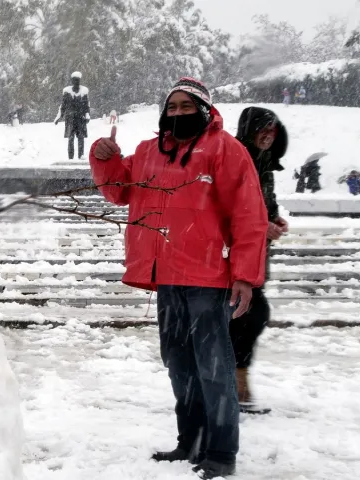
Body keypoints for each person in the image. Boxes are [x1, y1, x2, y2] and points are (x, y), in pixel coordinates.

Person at [90, 77, 268, 479]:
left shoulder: (226, 150)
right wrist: (105, 158)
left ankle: (221, 452)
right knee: (179, 364)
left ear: (204, 110)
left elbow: (249, 214)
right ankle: (191, 442)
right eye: (172, 107)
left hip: (208, 277)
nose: (178, 113)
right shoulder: (148, 152)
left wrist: (244, 274)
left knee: (212, 366)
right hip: (166, 277)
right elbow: (119, 190)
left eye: (187, 107)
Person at [234, 107, 291, 414]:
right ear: (250, 130)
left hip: (257, 252)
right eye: (263, 129)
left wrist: (273, 220)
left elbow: (262, 203)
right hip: (236, 254)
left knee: (247, 317)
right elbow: (229, 205)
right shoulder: (236, 158)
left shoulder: (264, 162)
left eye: (273, 130)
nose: (268, 135)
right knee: (250, 315)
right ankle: (234, 383)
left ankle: (236, 382)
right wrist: (260, 225)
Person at [54, 71, 90, 160]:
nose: (76, 82)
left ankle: (81, 156)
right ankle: (70, 158)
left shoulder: (84, 91)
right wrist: (59, 117)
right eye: (74, 80)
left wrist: (87, 115)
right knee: (70, 139)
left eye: (77, 80)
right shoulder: (67, 92)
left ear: (79, 80)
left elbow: (86, 105)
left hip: (80, 119)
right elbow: (63, 106)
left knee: (81, 138)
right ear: (72, 81)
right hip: (70, 119)